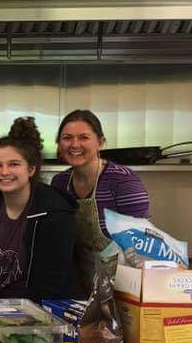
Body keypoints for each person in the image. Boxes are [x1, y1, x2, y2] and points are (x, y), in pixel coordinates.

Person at [0, 117, 81, 303]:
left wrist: (21, 322)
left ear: (31, 169)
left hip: (48, 312)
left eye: (14, 164)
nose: (4, 172)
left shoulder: (55, 213)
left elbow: (50, 282)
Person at [50, 109, 151, 292]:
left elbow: (141, 242)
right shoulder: (60, 182)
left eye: (83, 137)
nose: (74, 144)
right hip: (79, 284)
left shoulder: (123, 181)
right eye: (67, 138)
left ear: (100, 142)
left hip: (121, 286)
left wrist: (139, 293)